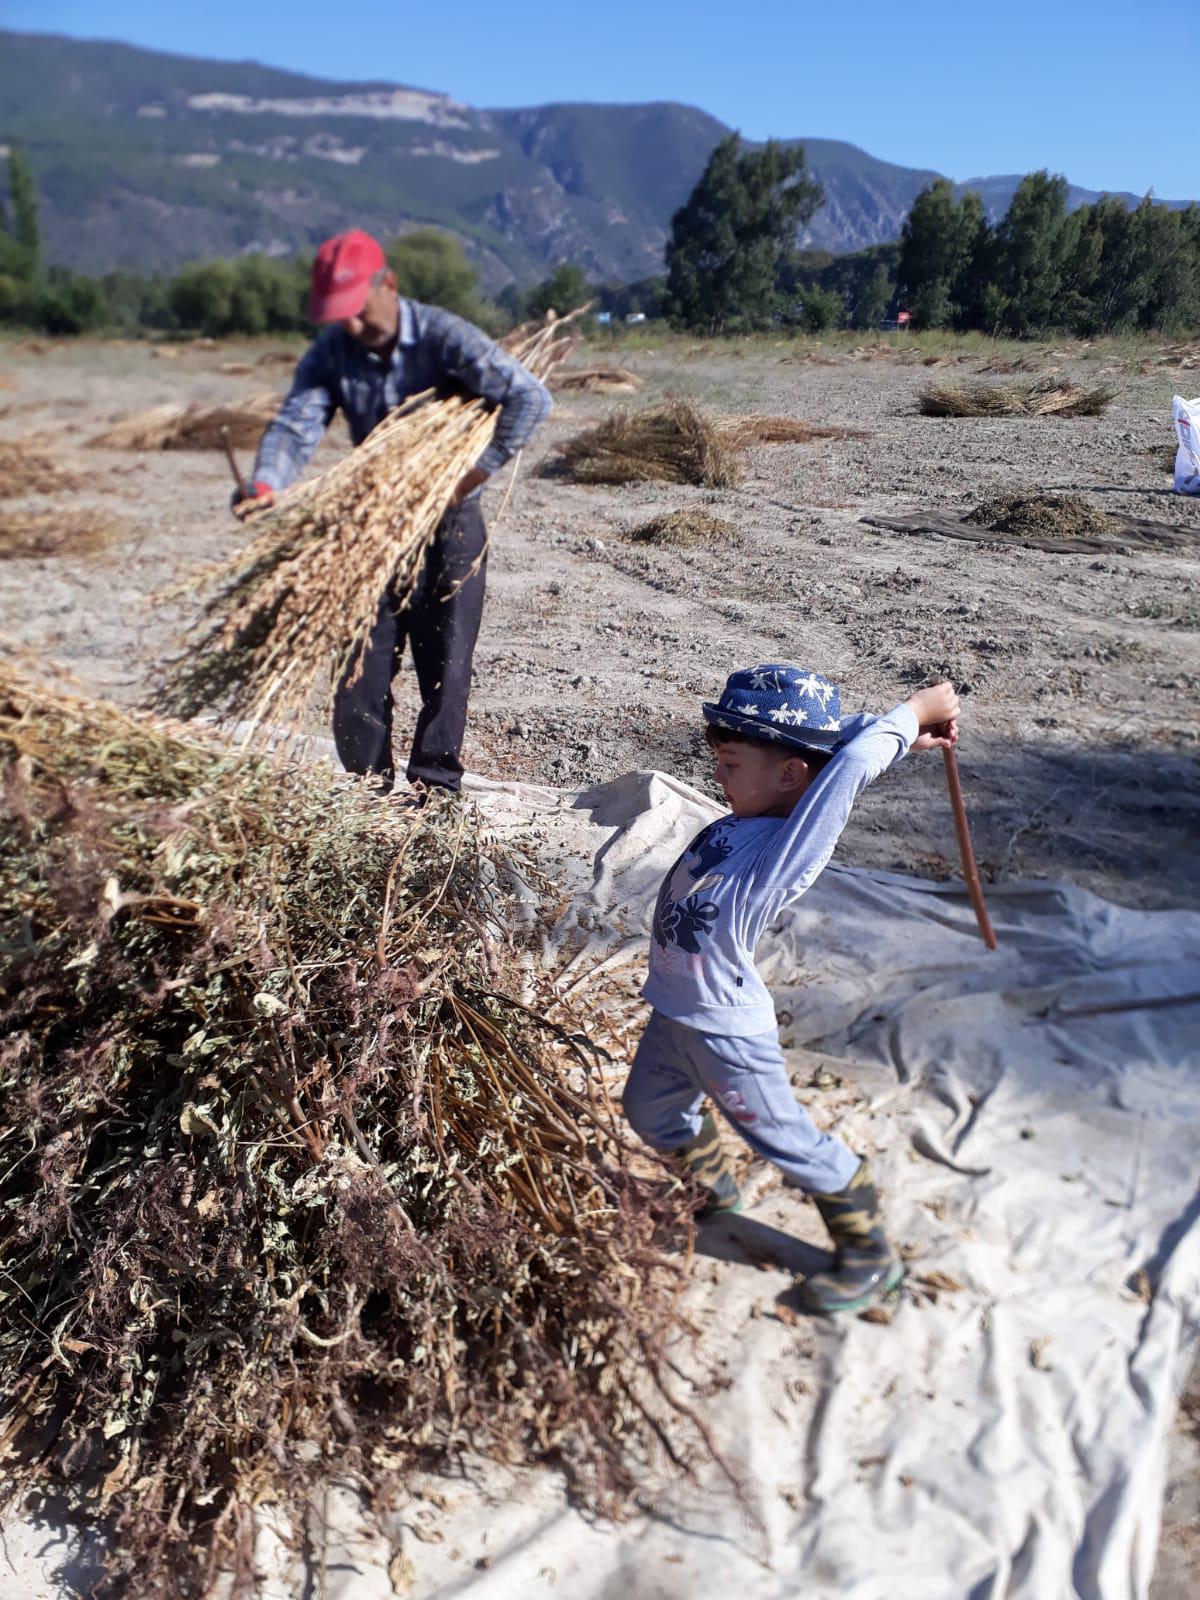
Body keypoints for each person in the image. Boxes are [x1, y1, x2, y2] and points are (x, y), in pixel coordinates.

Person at [622, 664, 961, 1315]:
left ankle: (869, 1257)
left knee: (787, 1141)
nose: (717, 775)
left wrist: (914, 712)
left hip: (725, 1033)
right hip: (674, 1014)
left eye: (730, 763)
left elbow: (850, 765)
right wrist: (899, 734)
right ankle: (711, 1191)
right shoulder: (748, 814)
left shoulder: (786, 849)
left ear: (788, 776)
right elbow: (837, 746)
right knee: (650, 1111)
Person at [234, 229, 553, 795]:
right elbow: (296, 423)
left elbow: (529, 396)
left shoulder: (442, 335)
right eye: (338, 316)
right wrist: (266, 482)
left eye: (356, 311)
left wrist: (474, 473)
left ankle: (433, 794)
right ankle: (367, 794)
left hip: (450, 523)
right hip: (374, 527)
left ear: (389, 285)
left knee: (447, 666)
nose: (350, 327)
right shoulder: (333, 352)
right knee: (357, 665)